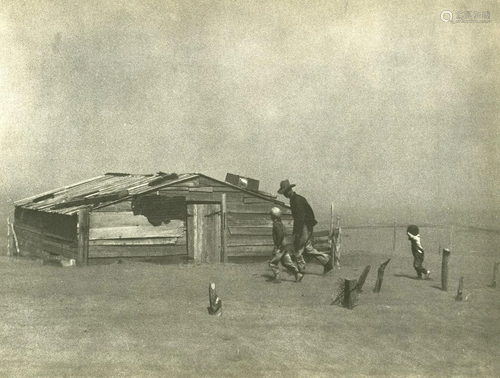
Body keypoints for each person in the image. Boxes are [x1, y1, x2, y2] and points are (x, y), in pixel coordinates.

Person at [277, 180, 333, 275]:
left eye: (285, 192)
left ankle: (300, 271)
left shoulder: (296, 200)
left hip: (304, 226)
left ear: (290, 190)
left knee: (298, 249)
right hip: (306, 226)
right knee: (308, 249)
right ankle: (327, 262)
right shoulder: (294, 199)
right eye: (284, 193)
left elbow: (300, 218)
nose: (285, 195)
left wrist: (298, 233)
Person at [268, 207, 303, 283]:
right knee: (286, 262)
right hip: (284, 245)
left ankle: (277, 277)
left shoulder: (276, 224)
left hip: (280, 246)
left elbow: (280, 235)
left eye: (271, 215)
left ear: (274, 216)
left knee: (272, 262)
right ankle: (297, 274)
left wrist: (277, 245)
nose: (270, 217)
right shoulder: (281, 223)